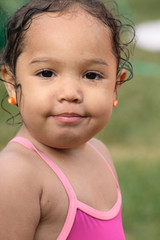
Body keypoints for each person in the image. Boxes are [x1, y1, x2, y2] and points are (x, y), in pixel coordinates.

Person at [0, 0, 134, 239]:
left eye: (91, 75)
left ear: (116, 85)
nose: (70, 93)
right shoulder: (15, 174)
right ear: (11, 83)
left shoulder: (100, 152)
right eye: (47, 73)